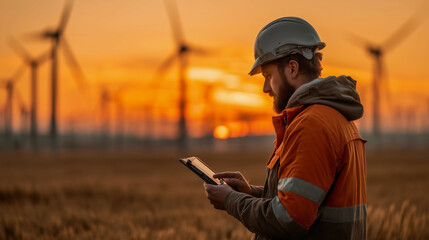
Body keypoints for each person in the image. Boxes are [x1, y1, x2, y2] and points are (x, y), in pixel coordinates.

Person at [204, 17, 367, 240]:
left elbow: (289, 219)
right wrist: (251, 193)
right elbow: (307, 202)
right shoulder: (335, 117)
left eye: (268, 76)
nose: (264, 88)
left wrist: (231, 201)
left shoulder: (311, 125)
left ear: (292, 68)